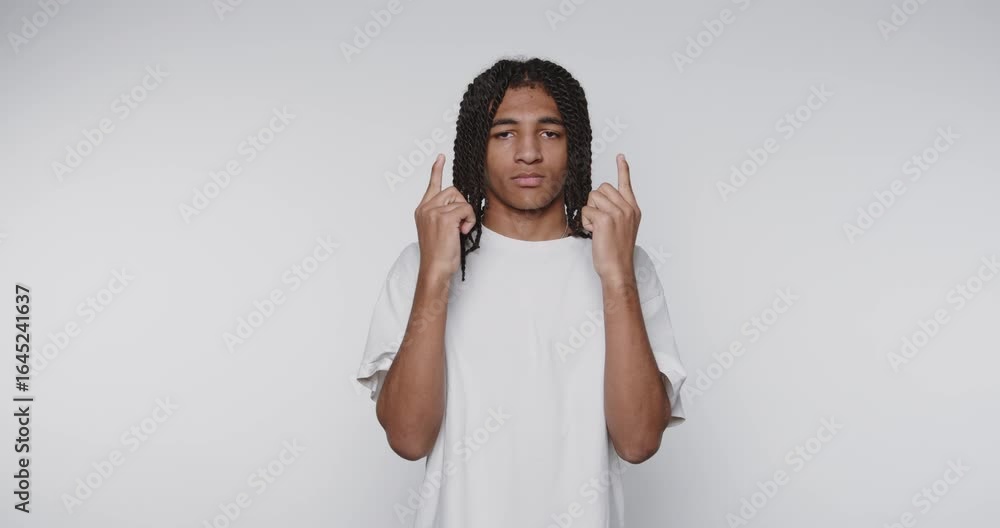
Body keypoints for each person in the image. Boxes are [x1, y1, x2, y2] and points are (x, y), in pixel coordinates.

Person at [356, 56, 688, 528]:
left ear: (575, 146)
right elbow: (408, 438)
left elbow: (637, 442)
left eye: (550, 133)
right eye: (504, 134)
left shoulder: (626, 265)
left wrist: (617, 277)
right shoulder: (421, 265)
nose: (528, 153)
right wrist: (435, 275)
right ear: (477, 147)